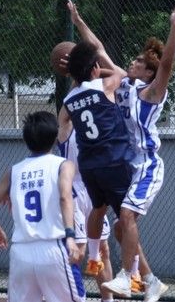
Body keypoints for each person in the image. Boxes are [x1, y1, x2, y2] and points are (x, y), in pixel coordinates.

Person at [67, 0, 175, 302]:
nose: (132, 63)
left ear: (148, 73)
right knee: (122, 228)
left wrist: (174, 28)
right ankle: (150, 281)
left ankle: (127, 277)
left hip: (147, 164)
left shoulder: (151, 93)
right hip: (124, 163)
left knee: (125, 216)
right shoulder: (121, 84)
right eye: (133, 60)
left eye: (138, 62)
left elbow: (167, 66)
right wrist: (78, 21)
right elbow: (98, 50)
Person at [59, 39, 141, 298]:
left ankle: (107, 292)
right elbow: (120, 73)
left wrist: (77, 71)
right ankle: (133, 274)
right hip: (93, 176)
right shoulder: (102, 88)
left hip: (90, 172)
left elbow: (73, 101)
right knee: (126, 220)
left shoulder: (70, 103)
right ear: (94, 69)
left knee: (102, 237)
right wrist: (90, 68)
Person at [0, 111, 83, 302]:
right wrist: (70, 236)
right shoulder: (63, 165)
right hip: (53, 247)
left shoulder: (13, 171)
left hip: (21, 252)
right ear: (55, 137)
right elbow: (65, 197)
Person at [57, 107, 114, 302]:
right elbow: (66, 109)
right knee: (78, 249)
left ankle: (108, 300)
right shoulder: (67, 127)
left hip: (94, 189)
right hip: (73, 191)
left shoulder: (98, 125)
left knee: (103, 249)